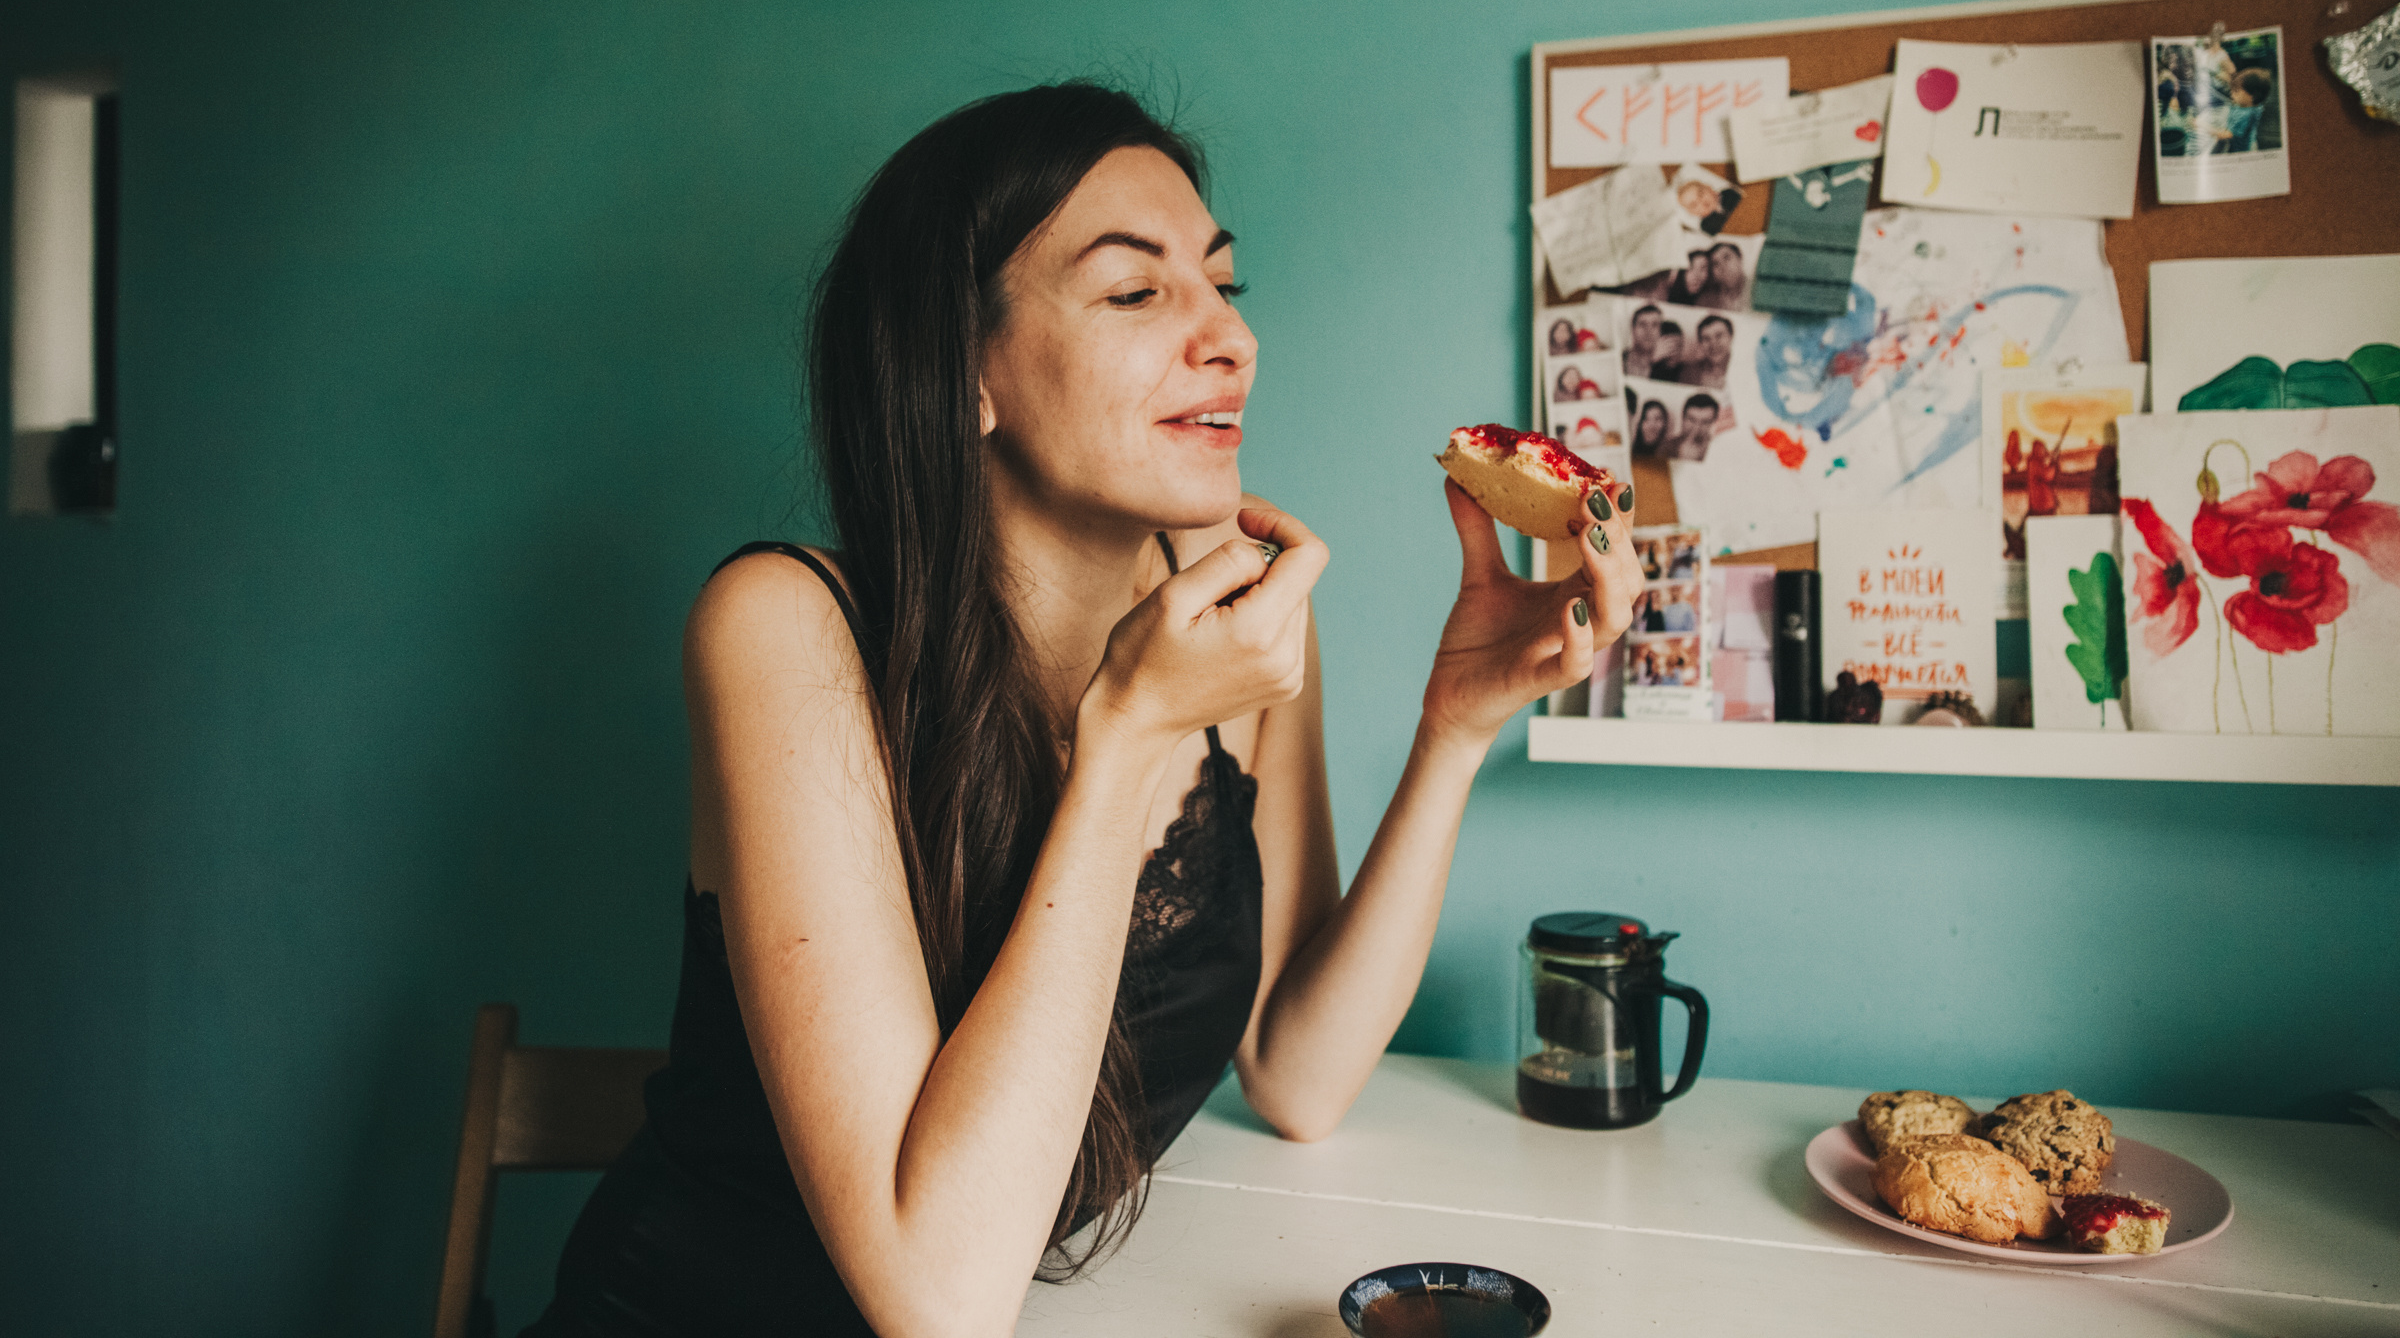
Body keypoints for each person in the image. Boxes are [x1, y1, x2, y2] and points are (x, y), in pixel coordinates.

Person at [526, 84, 1642, 1338]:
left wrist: (1454, 729)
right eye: (1135, 290)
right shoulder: (783, 629)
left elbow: (1298, 1071)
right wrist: (1129, 741)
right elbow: (935, 1297)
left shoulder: (1235, 611)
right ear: (964, 374)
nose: (1230, 338)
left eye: (1226, 286)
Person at [1673, 393, 1729, 462]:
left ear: (1714, 422)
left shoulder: (1722, 450)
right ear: (1683, 418)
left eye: (1705, 422)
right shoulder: (1664, 446)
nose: (1697, 428)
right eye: (1692, 420)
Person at [1685, 313, 1735, 388]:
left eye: (1719, 336)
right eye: (1706, 339)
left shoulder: (1745, 371)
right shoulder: (1689, 372)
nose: (1713, 344)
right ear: (1700, 343)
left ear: (1730, 337)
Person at [1622, 303, 1663, 377]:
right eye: (1642, 324)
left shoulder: (1666, 368)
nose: (1648, 331)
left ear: (1660, 331)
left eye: (1654, 325)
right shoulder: (1619, 359)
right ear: (1633, 329)